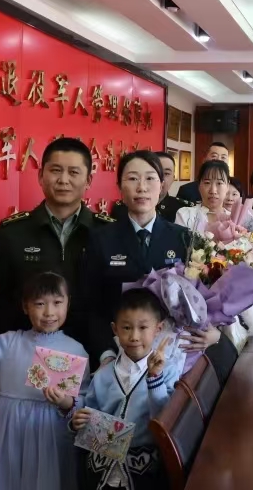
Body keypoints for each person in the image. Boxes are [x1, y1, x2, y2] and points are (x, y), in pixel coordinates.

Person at [0, 137, 113, 404]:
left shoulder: (107, 232)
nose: (64, 180)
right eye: (55, 170)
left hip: (93, 357)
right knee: (33, 422)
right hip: (27, 360)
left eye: (74, 172)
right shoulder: (14, 232)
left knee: (80, 422)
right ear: (41, 176)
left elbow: (112, 301)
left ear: (88, 180)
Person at [0, 273, 89, 490]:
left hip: (50, 435)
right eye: (40, 304)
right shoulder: (9, 342)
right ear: (25, 306)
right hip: (8, 433)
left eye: (57, 303)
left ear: (68, 303)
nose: (49, 312)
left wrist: (66, 403)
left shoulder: (76, 350)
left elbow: (83, 403)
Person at [82, 151, 218, 367]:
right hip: (119, 354)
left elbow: (204, 297)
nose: (142, 187)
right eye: (132, 178)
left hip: (173, 354)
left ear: (162, 185)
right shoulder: (101, 239)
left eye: (150, 178)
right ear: (120, 187)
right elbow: (92, 307)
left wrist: (213, 333)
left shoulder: (183, 238)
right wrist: (106, 355)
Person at [72, 288, 180, 489]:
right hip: (102, 467)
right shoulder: (103, 375)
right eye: (127, 328)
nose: (134, 336)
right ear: (115, 329)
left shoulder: (168, 372)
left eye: (143, 327)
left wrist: (154, 378)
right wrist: (79, 420)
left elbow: (164, 420)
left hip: (145, 469)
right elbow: (89, 413)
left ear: (158, 328)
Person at [111, 151, 191, 223]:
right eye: (133, 178)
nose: (142, 187)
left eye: (166, 173)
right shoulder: (120, 209)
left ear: (173, 178)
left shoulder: (184, 211)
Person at [175, 160, 232, 232]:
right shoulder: (185, 215)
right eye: (207, 183)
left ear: (227, 186)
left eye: (219, 183)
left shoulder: (234, 219)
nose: (213, 191)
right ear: (199, 185)